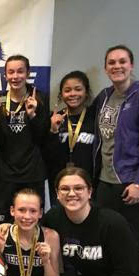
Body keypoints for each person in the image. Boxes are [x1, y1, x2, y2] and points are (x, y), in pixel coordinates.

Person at [93, 45, 139, 252]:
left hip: (133, 181)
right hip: (107, 181)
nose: (117, 66)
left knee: (133, 242)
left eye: (122, 61)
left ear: (131, 65)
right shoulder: (105, 96)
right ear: (106, 68)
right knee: (104, 237)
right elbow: (86, 119)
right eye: (111, 63)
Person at [0, 54, 50, 233]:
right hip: (4, 175)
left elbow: (43, 139)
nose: (15, 76)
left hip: (32, 174)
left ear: (28, 73)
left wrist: (33, 116)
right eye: (11, 72)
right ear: (5, 75)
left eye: (20, 71)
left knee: (32, 227)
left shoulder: (40, 99)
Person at [45, 71, 95, 206]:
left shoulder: (95, 118)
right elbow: (47, 154)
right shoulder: (54, 118)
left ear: (86, 92)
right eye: (67, 90)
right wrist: (53, 130)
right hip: (60, 185)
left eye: (78, 89)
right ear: (61, 95)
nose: (73, 94)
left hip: (88, 184)